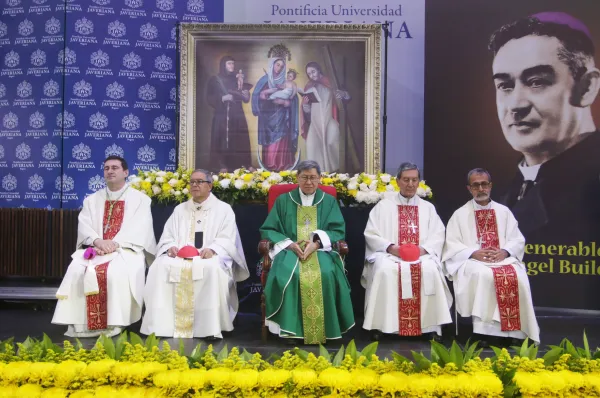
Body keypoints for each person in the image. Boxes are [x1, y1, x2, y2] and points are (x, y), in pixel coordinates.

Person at [489, 12, 600, 244]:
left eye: (536, 81)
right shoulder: (504, 194)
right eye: (505, 86)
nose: (516, 105)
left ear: (587, 87)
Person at [52, 156, 156, 337]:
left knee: (114, 273)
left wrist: (114, 244)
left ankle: (116, 322)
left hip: (126, 249)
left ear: (126, 172)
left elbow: (140, 227)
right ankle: (80, 323)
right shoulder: (92, 200)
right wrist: (98, 242)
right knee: (76, 269)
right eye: (106, 168)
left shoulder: (141, 200)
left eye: (115, 167)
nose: (110, 171)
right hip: (96, 249)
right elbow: (85, 225)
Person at [141, 169, 249, 339]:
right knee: (159, 267)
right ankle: (162, 326)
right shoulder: (180, 209)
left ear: (210, 186)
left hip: (209, 257)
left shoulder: (224, 209)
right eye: (192, 182)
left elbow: (228, 239)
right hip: (180, 257)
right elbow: (168, 236)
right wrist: (170, 247)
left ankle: (208, 328)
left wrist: (213, 249)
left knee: (212, 270)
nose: (195, 185)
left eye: (199, 182)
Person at [260, 160, 354, 344]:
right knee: (291, 274)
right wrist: (289, 244)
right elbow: (269, 229)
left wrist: (316, 244)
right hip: (289, 251)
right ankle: (290, 331)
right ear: (297, 178)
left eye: (313, 177)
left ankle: (325, 330)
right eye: (304, 177)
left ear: (320, 179)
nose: (309, 182)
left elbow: (338, 230)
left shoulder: (328, 201)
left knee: (326, 274)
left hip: (321, 252)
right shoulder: (283, 200)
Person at [442, 168, 540, 345]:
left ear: (490, 186)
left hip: (502, 258)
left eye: (484, 184)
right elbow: (452, 244)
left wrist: (505, 252)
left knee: (516, 275)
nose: (481, 189)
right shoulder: (460, 214)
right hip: (472, 261)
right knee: (485, 275)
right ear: (469, 188)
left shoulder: (504, 212)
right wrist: (473, 252)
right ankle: (484, 332)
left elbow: (517, 239)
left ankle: (516, 333)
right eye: (476, 185)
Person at [362, 162, 453, 341]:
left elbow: (438, 235)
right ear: (398, 181)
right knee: (384, 270)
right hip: (390, 254)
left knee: (430, 270)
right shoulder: (383, 206)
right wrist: (392, 248)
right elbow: (371, 233)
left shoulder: (428, 208)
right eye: (406, 180)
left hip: (421, 255)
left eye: (414, 180)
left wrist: (422, 250)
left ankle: (430, 327)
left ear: (419, 182)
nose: (410, 184)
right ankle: (382, 325)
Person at [252, 44, 299, 171]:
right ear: (272, 64)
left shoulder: (286, 82)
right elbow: (257, 96)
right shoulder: (264, 80)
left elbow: (293, 98)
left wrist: (286, 103)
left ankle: (283, 166)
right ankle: (270, 167)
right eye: (278, 65)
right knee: (270, 145)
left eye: (282, 66)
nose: (279, 68)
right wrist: (264, 94)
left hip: (283, 117)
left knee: (282, 141)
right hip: (267, 118)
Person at [301, 61, 351, 172]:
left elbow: (347, 97)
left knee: (331, 142)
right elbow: (308, 111)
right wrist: (305, 104)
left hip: (329, 119)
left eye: (313, 71)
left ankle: (335, 173)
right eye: (309, 74)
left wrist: (342, 94)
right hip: (315, 123)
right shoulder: (309, 86)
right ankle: (317, 174)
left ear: (319, 69)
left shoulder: (330, 82)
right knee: (312, 146)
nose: (312, 75)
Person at [206, 55, 252, 172]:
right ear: (223, 65)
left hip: (237, 115)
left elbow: (245, 98)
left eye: (233, 64)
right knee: (222, 138)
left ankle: (244, 164)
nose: (232, 66)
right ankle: (221, 165)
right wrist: (222, 98)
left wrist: (246, 95)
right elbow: (209, 98)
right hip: (222, 115)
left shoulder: (237, 80)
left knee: (240, 138)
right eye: (229, 64)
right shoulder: (215, 79)